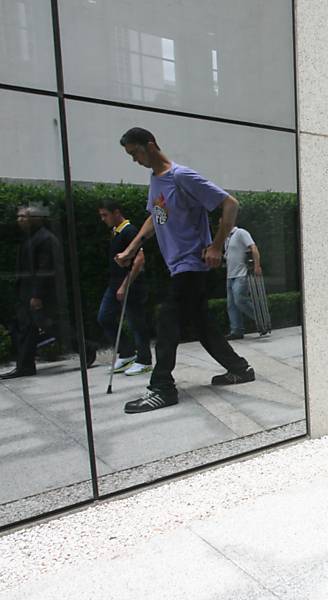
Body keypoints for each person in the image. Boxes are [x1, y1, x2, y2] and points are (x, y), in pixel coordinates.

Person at [115, 127, 254, 414]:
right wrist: (132, 249)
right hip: (177, 266)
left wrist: (216, 246)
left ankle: (162, 388)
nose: (134, 160)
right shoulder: (156, 180)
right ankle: (240, 369)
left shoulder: (181, 176)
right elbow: (155, 217)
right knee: (201, 323)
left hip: (192, 264)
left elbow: (230, 204)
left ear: (150, 145)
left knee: (167, 320)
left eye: (135, 153)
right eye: (130, 155)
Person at [1, 205, 85, 379]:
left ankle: (86, 347)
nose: (19, 220)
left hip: (38, 294)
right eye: (19, 217)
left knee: (51, 326)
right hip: (27, 292)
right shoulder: (31, 238)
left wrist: (37, 295)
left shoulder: (45, 239)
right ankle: (25, 366)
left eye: (23, 217)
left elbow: (45, 269)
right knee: (27, 329)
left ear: (35, 219)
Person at [97, 201, 152, 376]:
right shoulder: (116, 232)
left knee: (136, 322)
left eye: (105, 215)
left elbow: (139, 260)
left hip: (131, 284)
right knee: (104, 317)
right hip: (114, 283)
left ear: (116, 213)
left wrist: (124, 286)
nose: (103, 219)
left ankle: (144, 360)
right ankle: (127, 352)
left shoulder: (129, 231)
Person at [223, 225, 263, 340]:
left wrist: (257, 266)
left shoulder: (240, 232)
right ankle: (236, 331)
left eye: (222, 223)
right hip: (230, 275)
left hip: (241, 274)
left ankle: (261, 320)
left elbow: (253, 247)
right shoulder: (227, 238)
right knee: (231, 305)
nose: (220, 225)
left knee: (239, 300)